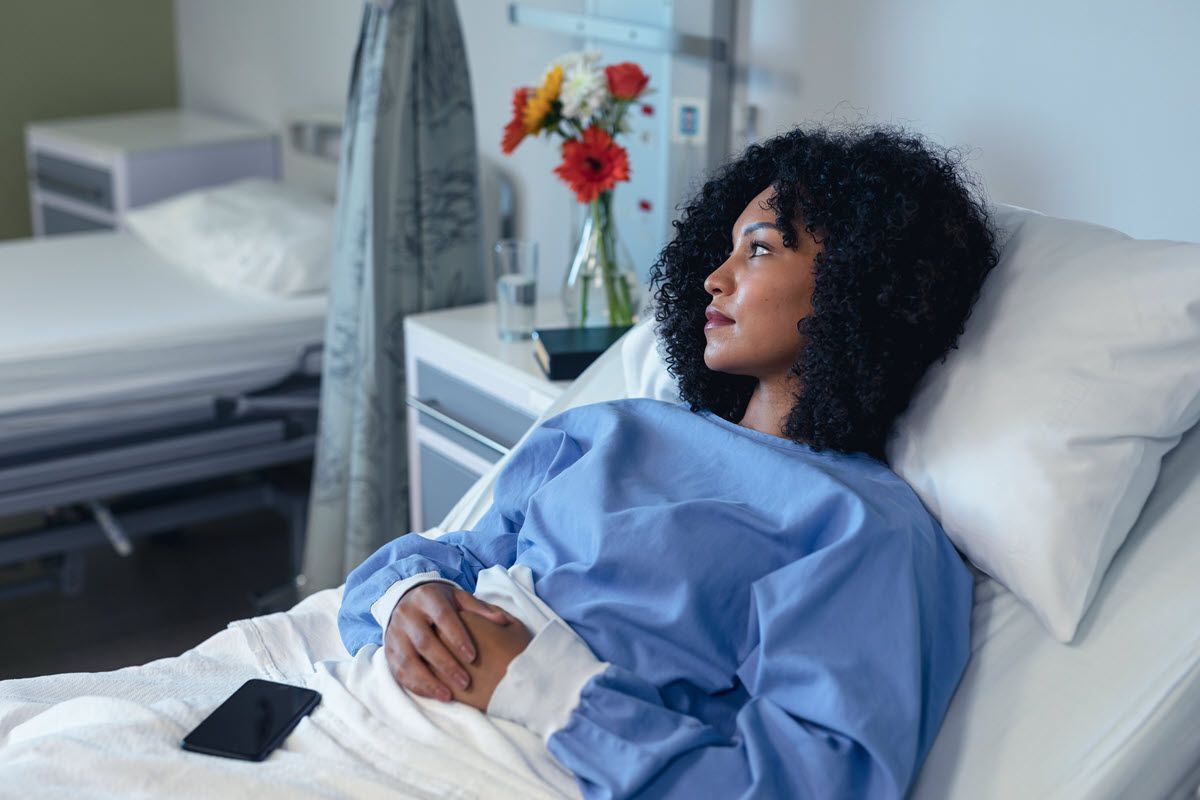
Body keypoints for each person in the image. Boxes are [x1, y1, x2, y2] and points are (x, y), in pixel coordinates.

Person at [337, 123, 1000, 799]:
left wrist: (545, 689)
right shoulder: (611, 429)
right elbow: (447, 558)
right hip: (360, 705)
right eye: (724, 250)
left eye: (760, 251)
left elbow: (811, 780)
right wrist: (407, 601)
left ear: (861, 282)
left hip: (522, 761)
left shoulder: (864, 530)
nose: (715, 279)